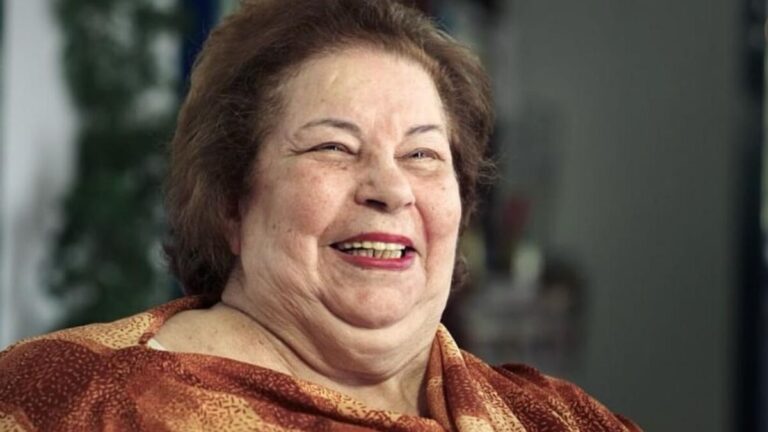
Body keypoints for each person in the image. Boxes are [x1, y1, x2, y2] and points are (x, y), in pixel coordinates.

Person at [0, 0, 641, 430]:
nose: (391, 189)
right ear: (230, 199)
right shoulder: (70, 399)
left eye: (422, 154)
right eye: (333, 147)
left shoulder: (559, 418)